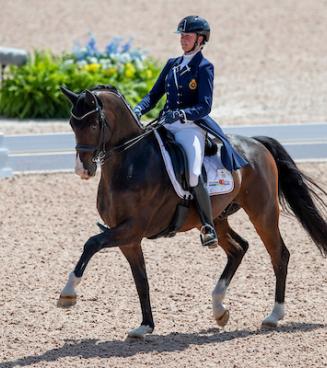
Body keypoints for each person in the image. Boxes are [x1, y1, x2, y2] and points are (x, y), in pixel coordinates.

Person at [133, 15, 248, 248]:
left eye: (187, 36)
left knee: (194, 172)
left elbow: (205, 105)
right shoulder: (172, 64)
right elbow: (153, 95)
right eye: (181, 36)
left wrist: (181, 114)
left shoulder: (204, 67)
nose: (183, 39)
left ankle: (207, 226)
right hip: (165, 124)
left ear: (200, 39)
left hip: (190, 128)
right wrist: (137, 108)